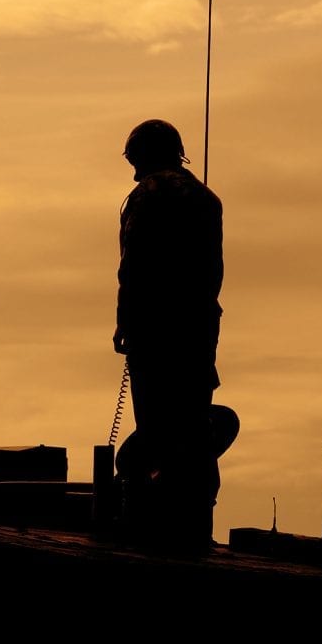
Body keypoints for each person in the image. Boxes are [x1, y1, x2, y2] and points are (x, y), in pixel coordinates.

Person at [112, 119, 224, 549]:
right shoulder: (206, 199)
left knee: (156, 428)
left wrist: (126, 322)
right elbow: (213, 272)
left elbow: (133, 267)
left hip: (155, 332)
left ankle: (152, 524)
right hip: (197, 331)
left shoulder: (146, 197)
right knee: (194, 427)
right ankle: (196, 523)